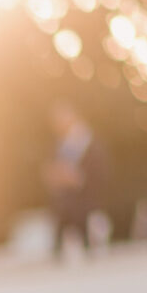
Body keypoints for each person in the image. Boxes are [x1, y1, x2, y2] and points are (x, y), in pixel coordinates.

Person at [45, 99, 110, 256]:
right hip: (66, 199)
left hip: (86, 199)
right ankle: (59, 252)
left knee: (80, 221)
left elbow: (100, 172)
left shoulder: (88, 141)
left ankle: (86, 248)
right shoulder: (61, 143)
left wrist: (78, 179)